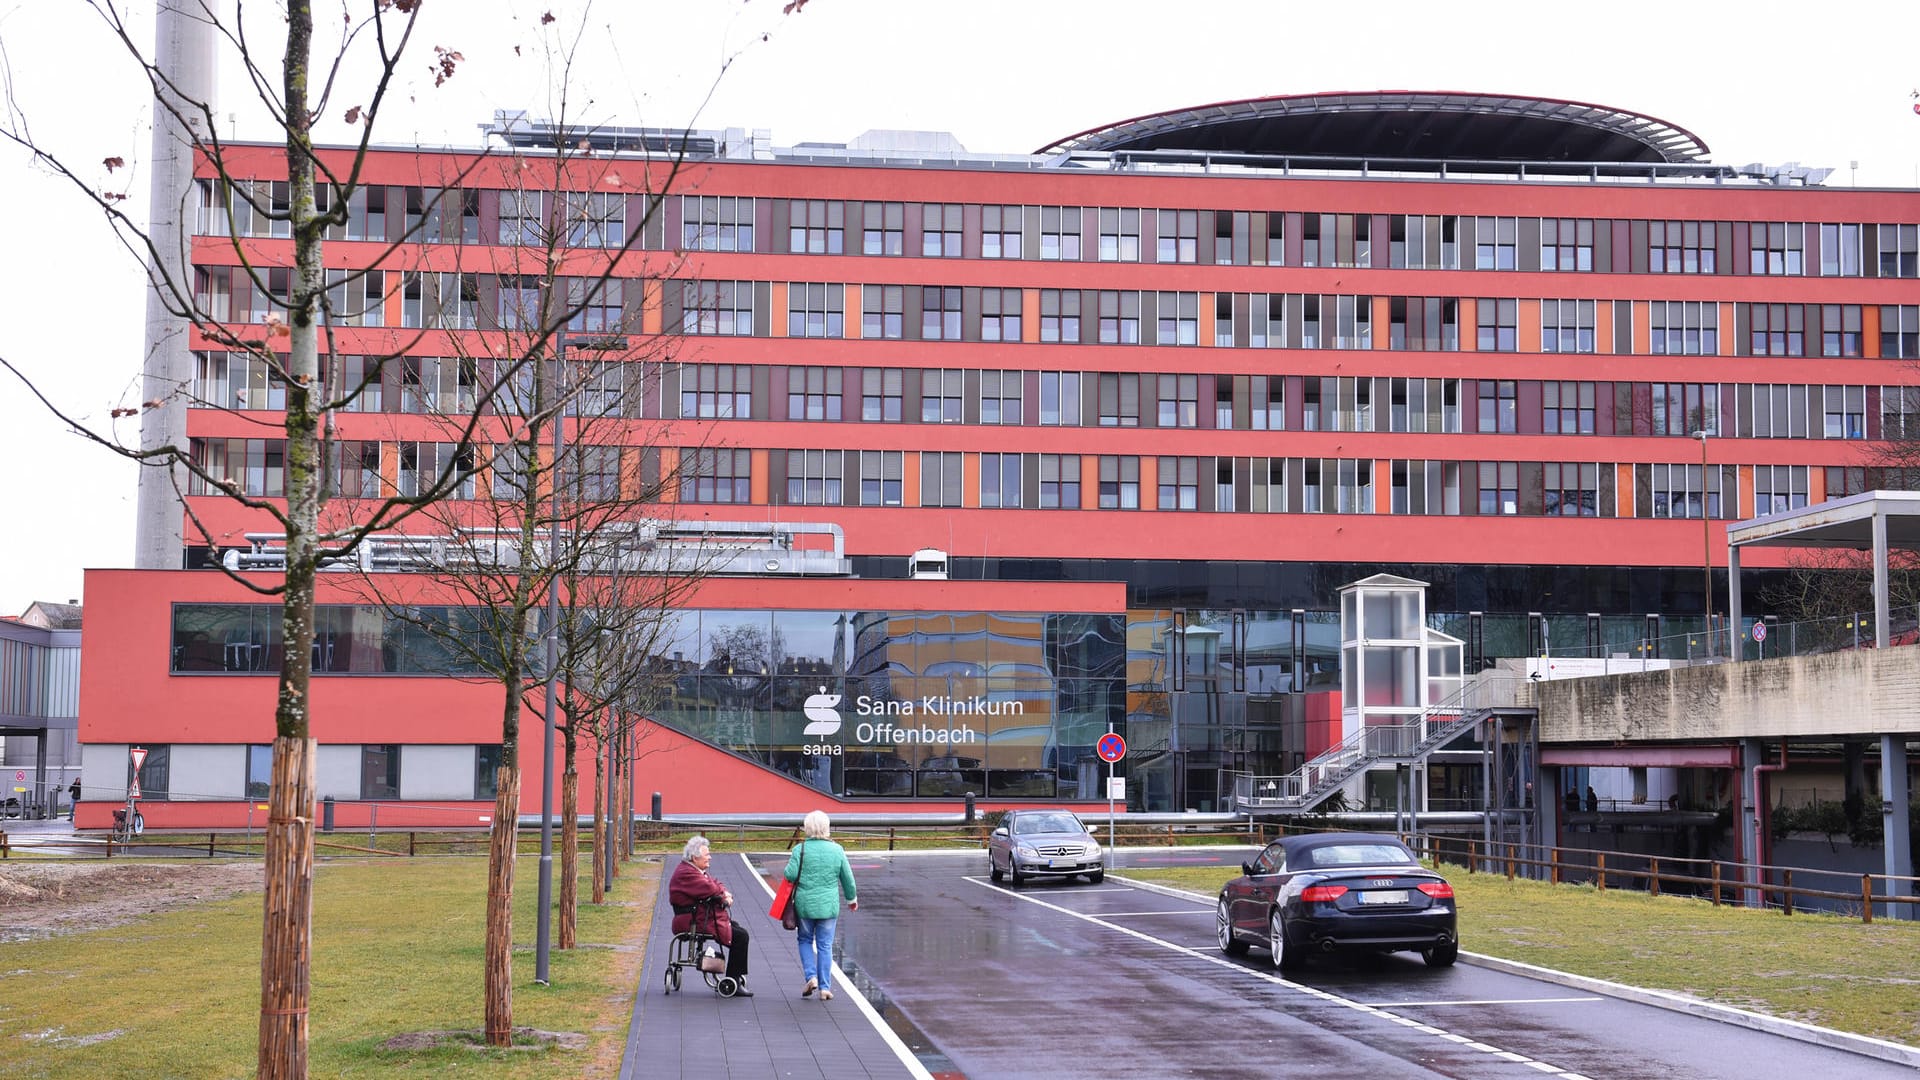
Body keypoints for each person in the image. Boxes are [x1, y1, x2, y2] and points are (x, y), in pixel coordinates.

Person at [784, 809, 858, 1002]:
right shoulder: (837, 850)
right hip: (828, 906)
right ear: (827, 828)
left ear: (807, 828)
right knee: (825, 945)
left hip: (805, 905)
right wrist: (852, 899)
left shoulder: (800, 850)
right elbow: (848, 879)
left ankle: (811, 977)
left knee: (805, 940)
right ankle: (825, 988)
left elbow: (790, 874)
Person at [669, 835, 754, 997]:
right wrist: (724, 897)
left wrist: (723, 893)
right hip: (693, 921)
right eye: (707, 854)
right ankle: (733, 978)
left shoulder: (693, 870)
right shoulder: (688, 874)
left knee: (736, 928)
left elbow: (715, 884)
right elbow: (712, 889)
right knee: (740, 936)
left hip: (699, 917)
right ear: (695, 857)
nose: (710, 857)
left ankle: (735, 976)